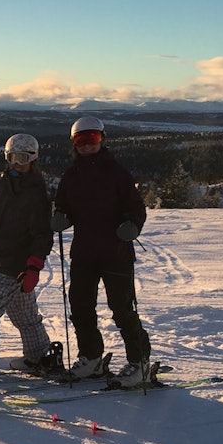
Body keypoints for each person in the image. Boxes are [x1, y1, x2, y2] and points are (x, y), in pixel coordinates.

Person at [52, 116, 150, 387]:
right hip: (83, 252)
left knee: (122, 309)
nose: (86, 145)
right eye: (81, 140)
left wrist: (133, 225)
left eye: (92, 139)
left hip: (116, 251)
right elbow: (63, 206)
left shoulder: (116, 172)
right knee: (80, 307)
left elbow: (136, 207)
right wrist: (60, 216)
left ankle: (139, 361)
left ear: (102, 140)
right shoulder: (71, 176)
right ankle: (91, 357)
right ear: (74, 144)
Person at [0, 134, 59, 381]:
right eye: (13, 158)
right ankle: (39, 355)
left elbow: (42, 233)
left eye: (23, 159)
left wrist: (34, 265)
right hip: (4, 258)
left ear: (33, 160)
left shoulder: (36, 193)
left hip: (16, 262)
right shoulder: (4, 185)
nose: (17, 164)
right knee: (24, 315)